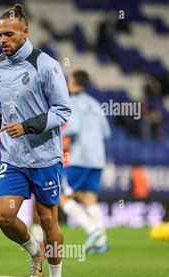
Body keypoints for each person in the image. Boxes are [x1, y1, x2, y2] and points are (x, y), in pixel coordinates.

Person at [0, 4, 71, 277]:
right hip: (13, 157)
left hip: (45, 157)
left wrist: (26, 126)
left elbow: (63, 111)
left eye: (9, 34)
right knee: (2, 216)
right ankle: (35, 253)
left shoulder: (46, 65)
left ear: (25, 33)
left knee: (48, 222)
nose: (3, 39)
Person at [60, 70, 111, 253]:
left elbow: (73, 128)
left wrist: (54, 133)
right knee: (90, 199)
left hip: (80, 157)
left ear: (73, 82)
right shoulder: (95, 104)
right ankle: (101, 242)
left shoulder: (72, 103)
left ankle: (92, 230)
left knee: (60, 194)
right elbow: (107, 133)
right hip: (98, 158)